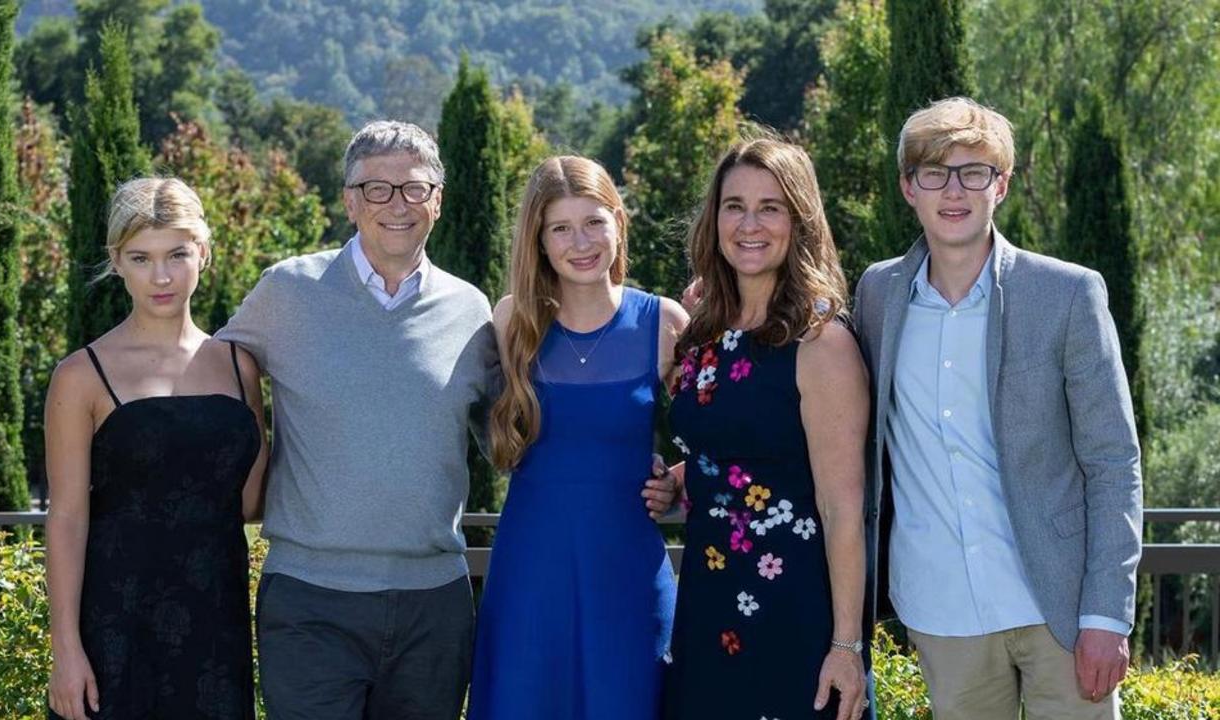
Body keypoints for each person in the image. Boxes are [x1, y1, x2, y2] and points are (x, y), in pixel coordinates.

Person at [853, 97, 1143, 719]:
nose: (953, 190)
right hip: (941, 610)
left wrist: (1106, 613)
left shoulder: (1067, 293)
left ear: (1002, 184)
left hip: (1059, 607)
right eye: (934, 172)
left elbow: (1113, 461)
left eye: (974, 172)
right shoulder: (876, 295)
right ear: (908, 187)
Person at [215, 120, 499, 720]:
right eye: (376, 189)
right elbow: (209, 375)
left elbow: (512, 439)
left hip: (435, 605)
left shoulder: (472, 311)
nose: (397, 204)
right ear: (349, 200)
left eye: (414, 188)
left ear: (438, 201)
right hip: (309, 601)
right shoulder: (287, 291)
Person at [466, 155, 688, 720]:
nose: (580, 242)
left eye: (594, 222)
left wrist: (677, 481)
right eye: (560, 228)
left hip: (628, 575)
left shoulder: (664, 323)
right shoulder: (511, 320)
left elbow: (724, 439)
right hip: (529, 571)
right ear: (538, 242)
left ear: (618, 220)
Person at [662, 136, 870, 720]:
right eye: (735, 206)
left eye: (770, 207)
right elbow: (739, 446)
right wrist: (682, 478)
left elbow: (842, 507)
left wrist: (847, 647)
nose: (750, 224)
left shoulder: (820, 342)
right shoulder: (704, 331)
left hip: (794, 613)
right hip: (706, 603)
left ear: (799, 221)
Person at [45, 177, 268, 720]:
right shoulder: (80, 376)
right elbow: (68, 518)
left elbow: (249, 504)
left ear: (204, 253)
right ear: (116, 262)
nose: (162, 276)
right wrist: (66, 650)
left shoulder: (241, 369)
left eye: (177, 254)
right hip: (113, 629)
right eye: (141, 258)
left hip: (218, 626)